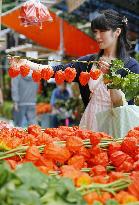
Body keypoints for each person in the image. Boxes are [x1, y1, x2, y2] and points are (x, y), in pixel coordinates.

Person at [10, 9, 139, 131]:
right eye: (95, 32)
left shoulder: (131, 66)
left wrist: (111, 79)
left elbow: (122, 106)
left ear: (117, 32)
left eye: (102, 31)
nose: (97, 36)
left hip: (115, 126)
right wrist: (26, 63)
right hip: (91, 122)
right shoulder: (88, 63)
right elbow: (53, 70)